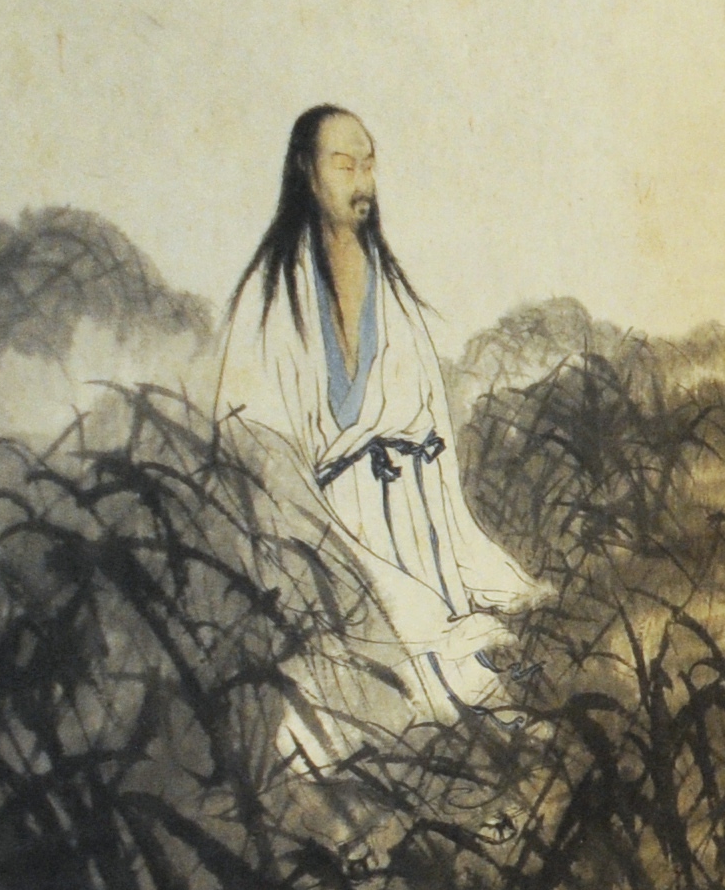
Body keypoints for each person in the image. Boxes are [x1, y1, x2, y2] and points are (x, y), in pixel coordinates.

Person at [214, 104, 532, 754]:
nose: (362, 181)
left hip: (415, 523)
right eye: (343, 163)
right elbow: (251, 442)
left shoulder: (394, 296)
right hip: (333, 526)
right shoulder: (269, 300)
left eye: (368, 164)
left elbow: (432, 437)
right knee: (353, 706)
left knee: (464, 662)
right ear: (306, 172)